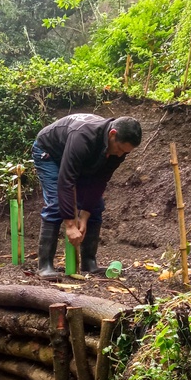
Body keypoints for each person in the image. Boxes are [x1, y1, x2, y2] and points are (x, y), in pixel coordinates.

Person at [31, 113, 142, 279]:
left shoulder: (118, 150)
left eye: (125, 152)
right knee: (55, 204)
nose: (120, 155)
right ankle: (45, 264)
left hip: (81, 158)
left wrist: (84, 216)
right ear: (112, 134)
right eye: (119, 149)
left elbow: (99, 181)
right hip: (49, 153)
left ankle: (89, 263)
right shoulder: (83, 136)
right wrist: (70, 225)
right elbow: (66, 180)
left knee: (96, 206)